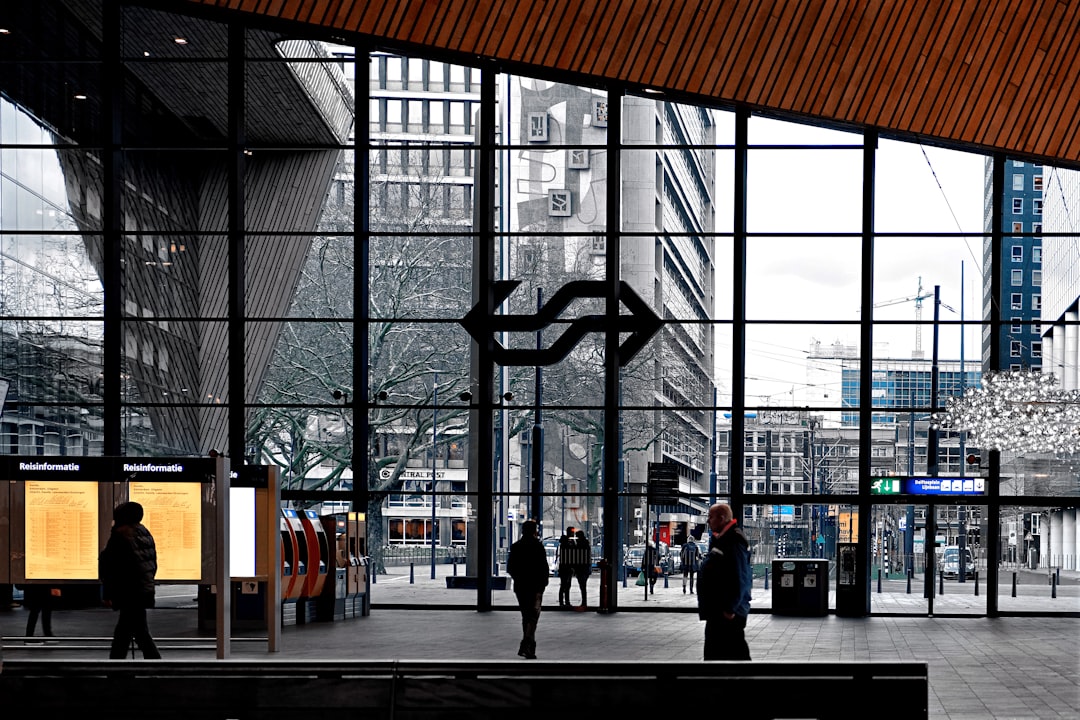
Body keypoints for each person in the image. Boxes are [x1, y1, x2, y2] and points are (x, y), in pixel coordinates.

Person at [99, 501, 161, 659]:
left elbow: (112, 567)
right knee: (132, 632)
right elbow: (151, 564)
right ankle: (120, 669)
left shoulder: (121, 535)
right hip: (142, 591)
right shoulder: (143, 532)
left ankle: (154, 668)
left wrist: (108, 593)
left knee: (131, 633)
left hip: (129, 592)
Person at [697, 502, 752, 660]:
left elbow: (739, 576)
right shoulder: (724, 539)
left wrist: (730, 609)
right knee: (727, 653)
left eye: (710, 517)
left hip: (726, 613)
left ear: (721, 519)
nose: (708, 521)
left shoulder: (733, 541)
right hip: (721, 610)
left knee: (724, 653)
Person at [506, 519, 549, 659]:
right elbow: (544, 567)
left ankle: (529, 645)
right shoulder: (538, 546)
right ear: (534, 531)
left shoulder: (516, 546)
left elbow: (510, 568)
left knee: (526, 615)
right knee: (533, 616)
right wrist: (543, 583)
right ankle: (527, 644)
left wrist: (519, 578)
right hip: (535, 586)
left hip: (521, 586)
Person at [571, 528, 592, 610]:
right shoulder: (587, 545)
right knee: (583, 585)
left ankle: (584, 601)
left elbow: (575, 557)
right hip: (585, 568)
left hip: (580, 568)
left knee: (582, 585)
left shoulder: (578, 546)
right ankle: (584, 601)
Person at [556, 525, 576, 608]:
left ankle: (564, 601)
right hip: (566, 566)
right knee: (565, 585)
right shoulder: (567, 542)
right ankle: (565, 601)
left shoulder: (565, 542)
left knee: (565, 584)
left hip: (564, 566)